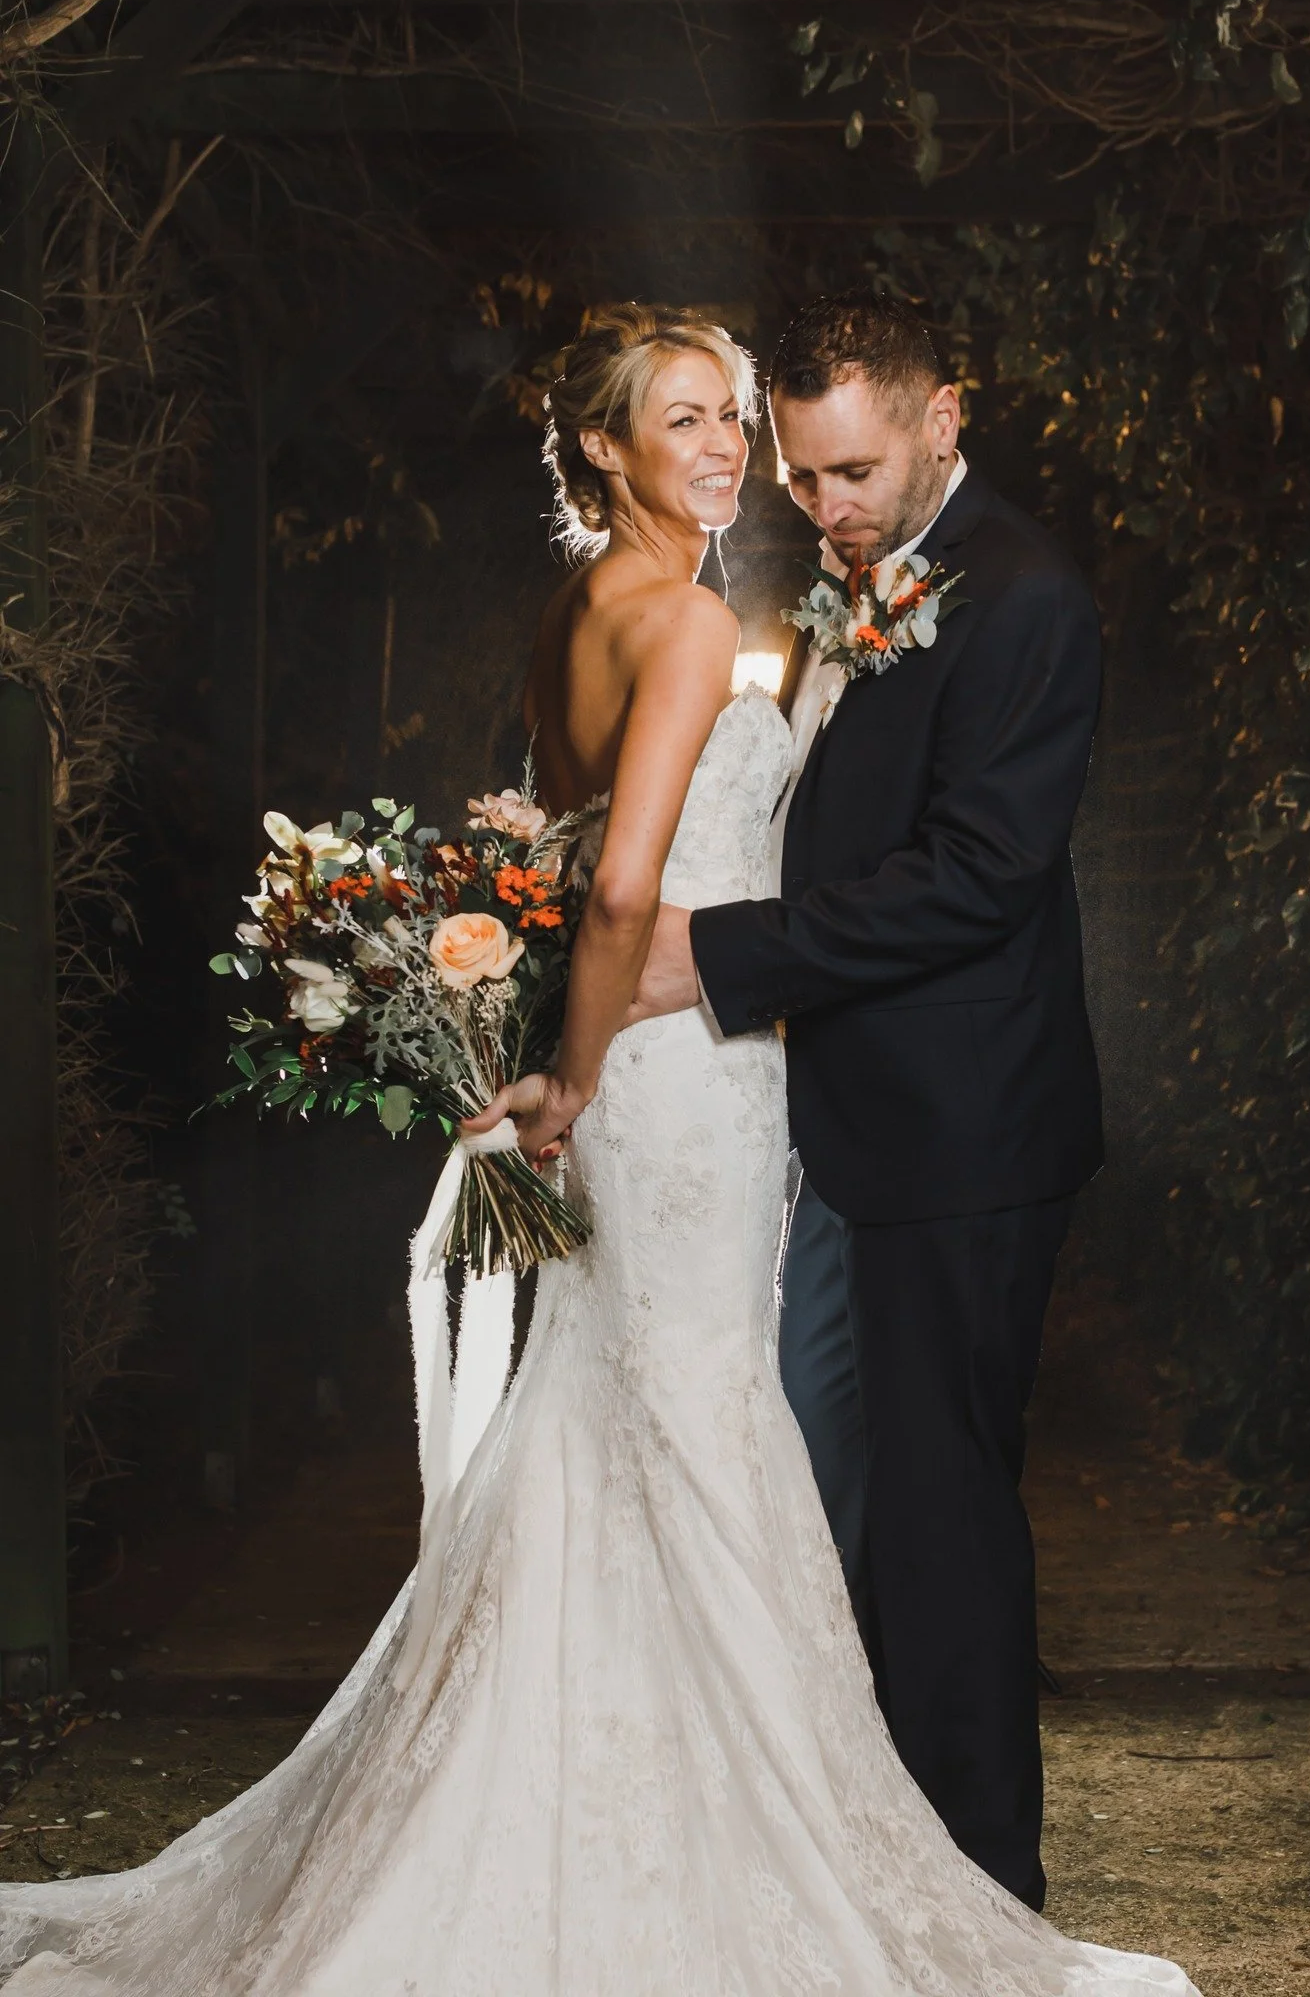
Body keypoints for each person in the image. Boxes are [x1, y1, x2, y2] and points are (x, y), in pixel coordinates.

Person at [0, 305, 1192, 1996]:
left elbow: (912, 873)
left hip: (796, 1089)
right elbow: (620, 892)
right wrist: (568, 1064)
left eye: (773, 441)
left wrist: (584, 1039)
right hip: (679, 1085)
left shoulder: (622, 608)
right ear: (605, 451)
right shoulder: (695, 623)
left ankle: (885, 1858)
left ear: (942, 420)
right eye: (712, 429)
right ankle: (787, 1864)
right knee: (706, 1440)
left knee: (686, 1445)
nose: (761, 472)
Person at [631, 290, 1106, 1913]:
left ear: (940, 419)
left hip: (967, 1136)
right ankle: (865, 1869)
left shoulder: (1026, 599)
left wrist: (712, 957)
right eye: (802, 475)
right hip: (846, 1127)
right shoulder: (871, 585)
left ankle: (982, 1899)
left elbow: (975, 878)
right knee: (839, 1504)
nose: (825, 509)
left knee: (941, 1522)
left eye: (853, 472)